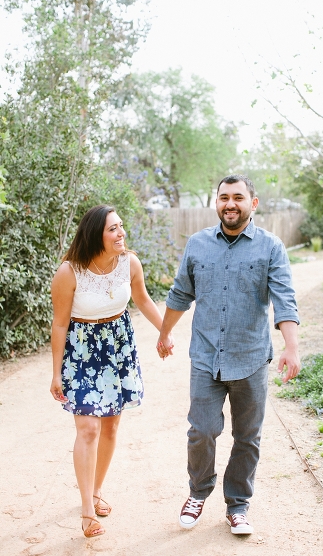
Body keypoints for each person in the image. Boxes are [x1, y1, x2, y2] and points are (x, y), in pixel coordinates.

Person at [156, 174, 300, 535]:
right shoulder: (197, 244)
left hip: (250, 358)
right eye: (224, 197)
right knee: (201, 431)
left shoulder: (271, 247)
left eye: (238, 197)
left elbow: (285, 300)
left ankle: (238, 505)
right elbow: (179, 294)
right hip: (205, 356)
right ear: (216, 202)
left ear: (253, 203)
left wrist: (291, 347)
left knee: (248, 437)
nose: (230, 204)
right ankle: (198, 491)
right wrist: (164, 332)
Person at [50, 205, 166, 538]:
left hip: (118, 347)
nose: (121, 233)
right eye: (113, 229)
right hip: (81, 351)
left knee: (111, 428)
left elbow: (143, 299)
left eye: (121, 226)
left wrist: (164, 332)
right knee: (88, 429)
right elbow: (59, 325)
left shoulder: (129, 263)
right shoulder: (69, 273)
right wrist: (56, 373)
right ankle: (87, 509)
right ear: (95, 235)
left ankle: (96, 490)